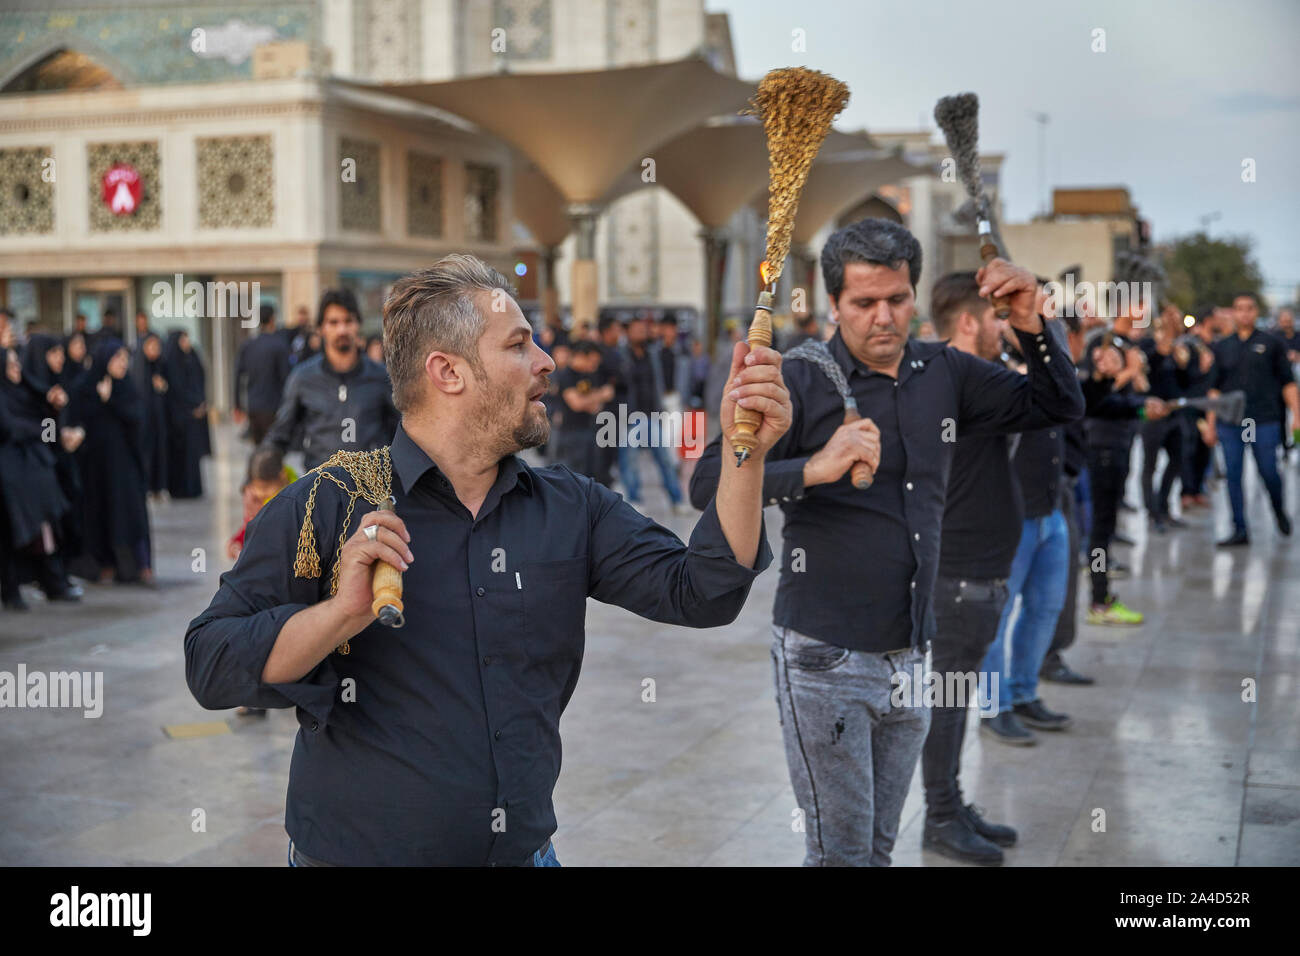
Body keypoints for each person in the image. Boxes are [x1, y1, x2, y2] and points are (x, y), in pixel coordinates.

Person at [184, 253, 786, 866]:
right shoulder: (330, 504)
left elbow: (705, 590)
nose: (547, 362)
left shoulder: (570, 508)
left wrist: (750, 454)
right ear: (448, 371)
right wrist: (340, 614)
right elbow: (210, 664)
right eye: (520, 344)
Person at [690, 218, 1084, 867]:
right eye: (864, 303)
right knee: (841, 854)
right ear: (833, 304)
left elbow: (1058, 407)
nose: (883, 317)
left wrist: (1033, 323)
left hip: (911, 652)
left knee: (875, 849)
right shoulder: (797, 377)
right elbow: (709, 481)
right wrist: (815, 467)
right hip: (825, 654)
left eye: (897, 300)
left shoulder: (946, 371)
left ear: (914, 295)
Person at [919, 271, 1022, 865]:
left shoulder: (968, 382)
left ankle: (951, 803)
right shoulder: (950, 386)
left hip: (976, 571)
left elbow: (1059, 401)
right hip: (957, 575)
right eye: (997, 317)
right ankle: (939, 813)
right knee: (947, 699)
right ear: (967, 322)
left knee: (954, 699)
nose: (1004, 327)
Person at [1079, 328, 1168, 624]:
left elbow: (1129, 396)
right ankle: (1099, 599)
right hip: (1102, 446)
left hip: (1117, 445)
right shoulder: (1098, 344)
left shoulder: (1122, 345)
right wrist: (1127, 371)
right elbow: (1098, 401)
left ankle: (1101, 595)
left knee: (1105, 528)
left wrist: (1142, 401)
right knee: (1100, 531)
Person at [262, 289, 398, 471]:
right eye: (333, 322)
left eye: (348, 321)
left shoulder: (382, 376)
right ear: (321, 328)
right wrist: (263, 466)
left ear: (358, 324)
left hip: (372, 489)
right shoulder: (303, 378)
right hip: (319, 486)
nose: (342, 329)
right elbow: (280, 434)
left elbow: (403, 431)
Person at [1210, 292, 1299, 545]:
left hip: (1262, 419)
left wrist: (1297, 417)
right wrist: (1211, 422)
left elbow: (1288, 383)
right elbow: (1214, 389)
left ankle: (1278, 509)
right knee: (1233, 476)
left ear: (1255, 311)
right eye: (1239, 308)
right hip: (1231, 422)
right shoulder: (1223, 346)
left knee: (1269, 471)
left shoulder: (1271, 344)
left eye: (1249, 308)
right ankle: (1239, 528)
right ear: (1233, 312)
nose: (1244, 313)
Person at [77, 339, 154, 585]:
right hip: (97, 467)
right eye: (117, 359)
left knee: (130, 513)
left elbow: (138, 419)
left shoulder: (128, 387)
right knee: (102, 512)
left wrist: (111, 400)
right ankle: (105, 565)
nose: (122, 363)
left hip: (126, 465)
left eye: (124, 358)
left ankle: (138, 566)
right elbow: (81, 420)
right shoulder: (87, 387)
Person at [618, 315, 687, 513]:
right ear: (628, 333)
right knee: (630, 461)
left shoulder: (652, 354)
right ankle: (634, 498)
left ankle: (677, 500)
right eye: (637, 330)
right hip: (629, 416)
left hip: (652, 414)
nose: (641, 333)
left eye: (643, 330)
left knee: (665, 459)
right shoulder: (622, 355)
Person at [1139, 304, 1193, 532]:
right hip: (1152, 415)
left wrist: (1184, 364)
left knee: (1177, 461)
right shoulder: (1149, 344)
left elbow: (1187, 381)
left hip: (1175, 414)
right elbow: (1152, 365)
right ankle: (1152, 514)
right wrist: (1169, 338)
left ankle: (1164, 507)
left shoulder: (1180, 348)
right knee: (1149, 466)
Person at [554, 340, 614, 482]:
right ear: (581, 356)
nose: (595, 366)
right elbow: (577, 403)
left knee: (592, 477)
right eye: (592, 361)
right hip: (571, 434)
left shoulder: (589, 375)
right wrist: (599, 395)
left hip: (590, 430)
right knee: (574, 478)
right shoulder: (566, 375)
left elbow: (597, 406)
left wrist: (590, 399)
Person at [163, 330, 212, 499]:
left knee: (193, 455)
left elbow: (199, 380)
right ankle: (180, 490)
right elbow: (176, 390)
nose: (186, 342)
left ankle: (193, 488)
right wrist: (191, 408)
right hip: (179, 418)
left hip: (193, 416)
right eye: (183, 339)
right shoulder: (171, 363)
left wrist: (200, 403)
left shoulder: (192, 357)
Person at [234, 305, 291, 445]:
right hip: (274, 407)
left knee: (259, 449)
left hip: (253, 406)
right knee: (273, 451)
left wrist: (237, 405)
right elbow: (287, 379)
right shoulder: (279, 345)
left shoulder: (248, 345)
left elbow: (237, 376)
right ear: (272, 319)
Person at [131, 331, 169, 496]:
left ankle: (159, 486)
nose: (155, 350)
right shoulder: (138, 369)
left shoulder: (161, 366)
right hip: (144, 421)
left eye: (157, 346)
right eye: (151, 346)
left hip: (158, 420)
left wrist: (164, 387)